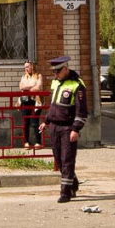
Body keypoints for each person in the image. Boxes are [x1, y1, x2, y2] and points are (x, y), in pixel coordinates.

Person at [40, 56, 87, 203]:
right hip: (54, 126)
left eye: (58, 72)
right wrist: (46, 121)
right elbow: (53, 105)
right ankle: (73, 183)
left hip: (68, 127)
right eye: (54, 72)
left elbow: (81, 110)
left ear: (66, 69)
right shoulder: (55, 83)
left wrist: (76, 129)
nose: (56, 75)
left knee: (67, 159)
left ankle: (65, 193)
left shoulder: (77, 85)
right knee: (58, 159)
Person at [18, 60, 43, 148]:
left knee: (35, 122)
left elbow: (38, 87)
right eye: (25, 67)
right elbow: (21, 87)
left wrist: (27, 89)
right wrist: (32, 86)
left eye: (28, 66)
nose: (26, 68)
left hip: (35, 101)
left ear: (32, 66)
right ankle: (26, 142)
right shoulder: (24, 76)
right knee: (25, 122)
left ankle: (38, 142)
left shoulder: (38, 76)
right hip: (25, 101)